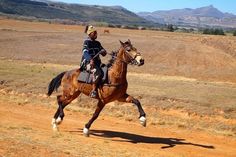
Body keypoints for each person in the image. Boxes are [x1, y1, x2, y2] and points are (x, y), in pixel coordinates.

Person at [80, 25, 107, 98]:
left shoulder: (98, 43)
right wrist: (90, 59)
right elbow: (85, 52)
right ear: (90, 34)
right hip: (87, 63)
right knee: (96, 71)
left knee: (107, 69)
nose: (96, 34)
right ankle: (94, 91)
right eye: (94, 33)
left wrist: (104, 52)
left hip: (98, 63)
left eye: (96, 33)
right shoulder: (87, 42)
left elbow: (104, 53)